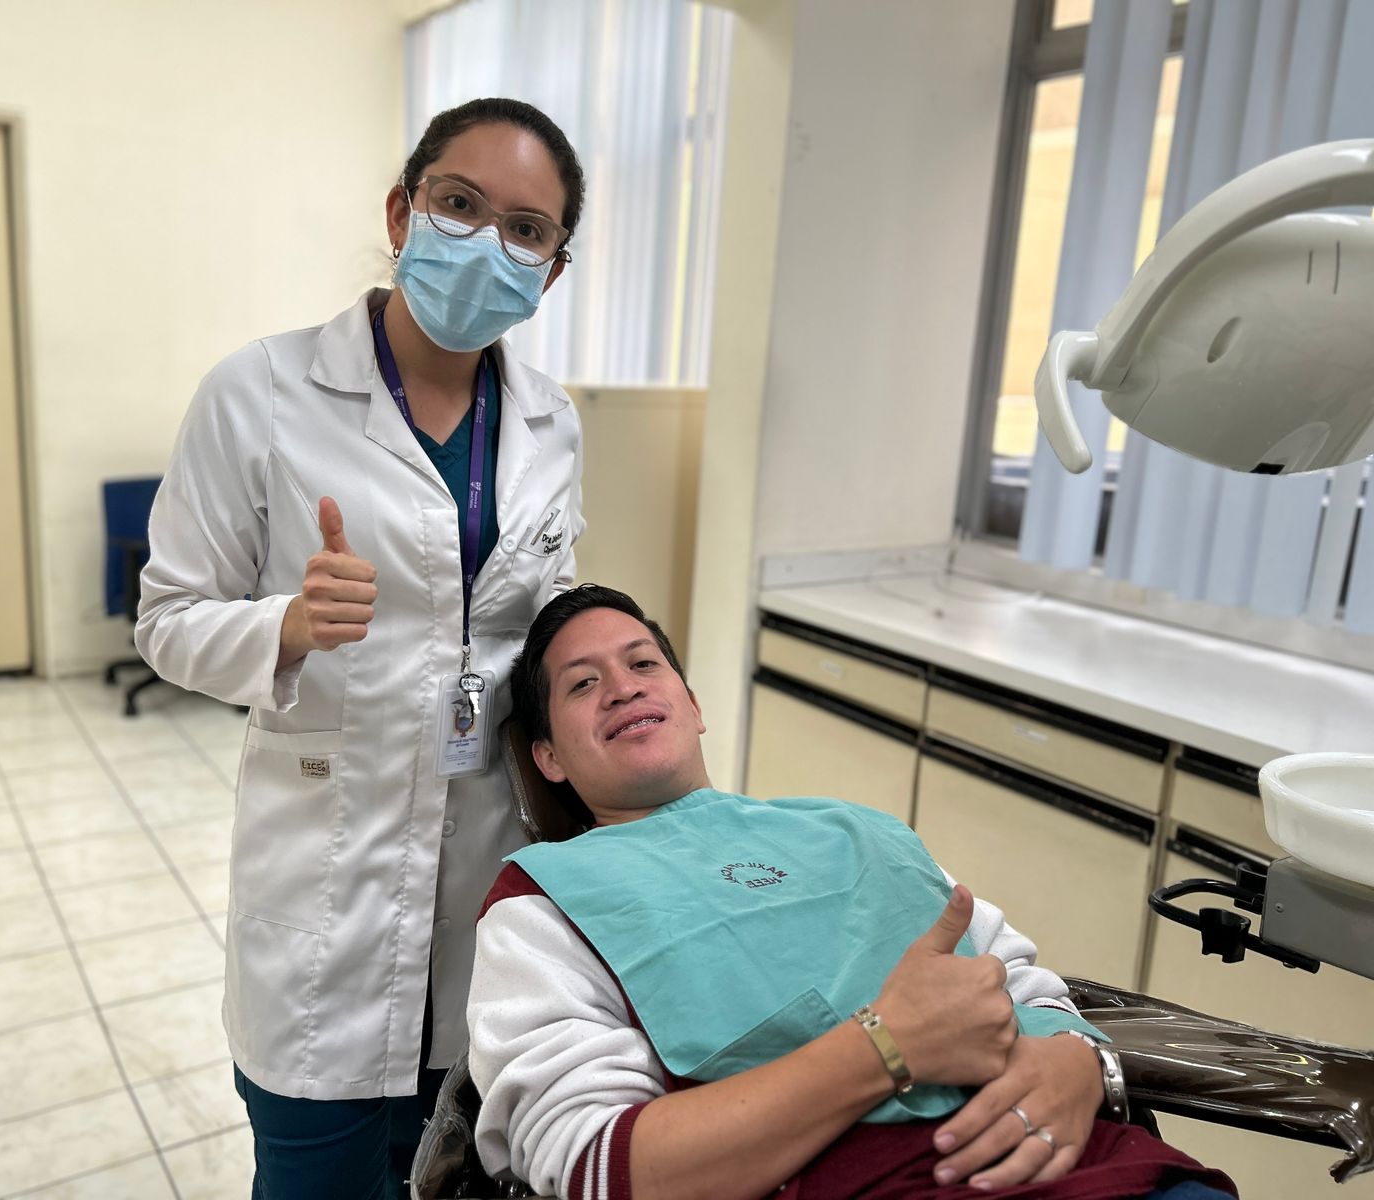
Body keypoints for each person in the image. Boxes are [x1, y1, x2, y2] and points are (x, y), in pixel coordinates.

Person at [135, 98, 587, 1198]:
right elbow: (165, 618)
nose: (489, 243)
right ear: (402, 209)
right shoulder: (264, 392)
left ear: (552, 269)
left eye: (526, 229)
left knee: (446, 1174)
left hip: (482, 894)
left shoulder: (552, 424)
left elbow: (543, 619)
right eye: (459, 204)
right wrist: (281, 625)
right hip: (325, 907)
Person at [467, 585, 1235, 1200]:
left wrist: (1078, 1064)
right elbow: (597, 1167)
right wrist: (885, 1046)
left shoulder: (853, 832)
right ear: (549, 757)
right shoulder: (541, 908)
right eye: (582, 684)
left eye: (643, 664)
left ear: (694, 707)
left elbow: (1021, 982)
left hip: (1085, 1166)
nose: (622, 689)